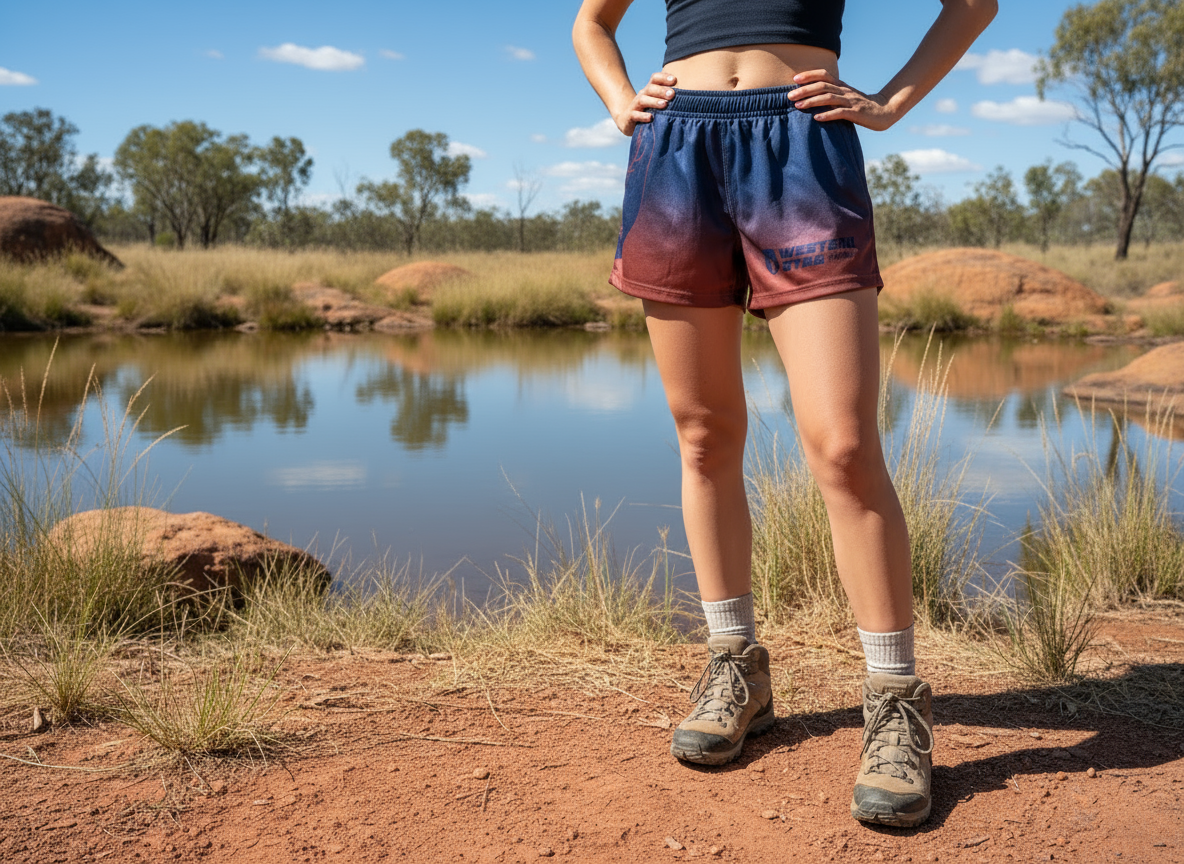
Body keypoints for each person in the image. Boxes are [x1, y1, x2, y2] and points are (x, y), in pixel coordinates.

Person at [572, 0, 997, 828]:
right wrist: (621, 101)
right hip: (676, 148)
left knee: (842, 445)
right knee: (703, 435)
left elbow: (973, 5)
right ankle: (736, 665)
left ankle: (894, 701)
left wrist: (892, 103)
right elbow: (592, 22)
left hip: (802, 142)